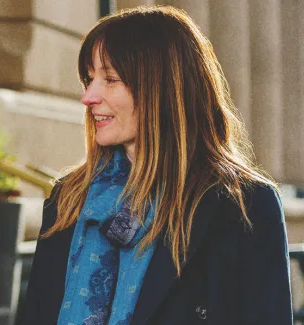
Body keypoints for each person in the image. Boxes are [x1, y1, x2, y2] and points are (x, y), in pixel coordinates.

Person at [23, 5, 292, 325]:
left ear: (160, 89)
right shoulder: (68, 198)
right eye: (90, 78)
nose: (89, 96)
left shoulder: (242, 206)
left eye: (110, 79)